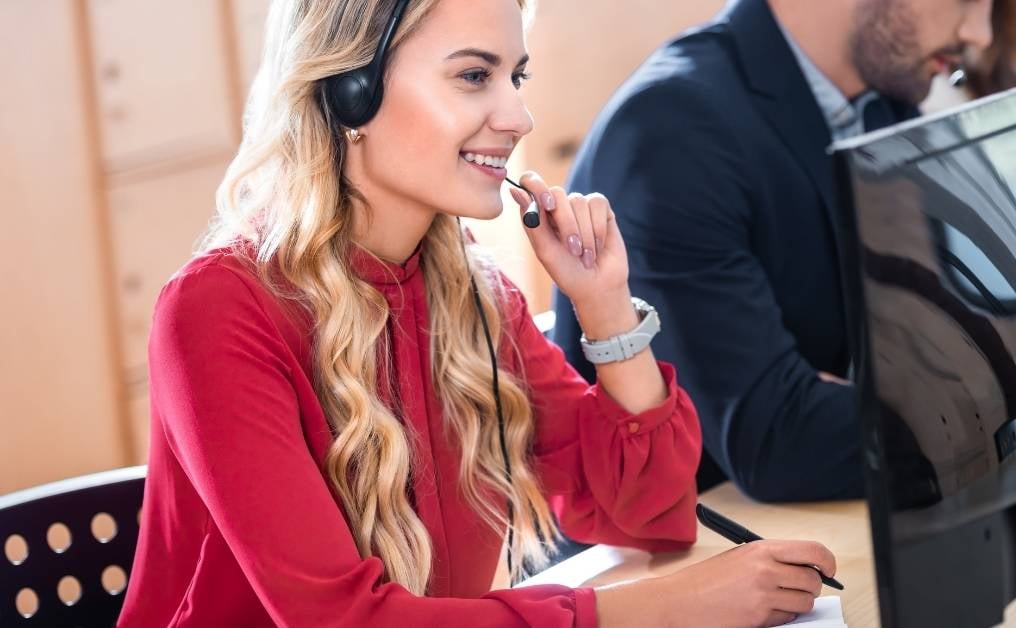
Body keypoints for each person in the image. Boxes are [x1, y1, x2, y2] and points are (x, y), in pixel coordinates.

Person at [116, 1, 839, 626]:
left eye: (515, 76)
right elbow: (341, 621)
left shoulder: (470, 289)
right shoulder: (217, 312)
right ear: (349, 90)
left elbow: (647, 511)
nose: (518, 116)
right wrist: (672, 609)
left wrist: (605, 306)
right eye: (473, 76)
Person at [552, 0, 994, 501]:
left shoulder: (883, 101)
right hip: (678, 548)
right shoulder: (673, 129)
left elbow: (939, 341)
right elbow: (775, 437)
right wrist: (1004, 410)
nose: (979, 34)